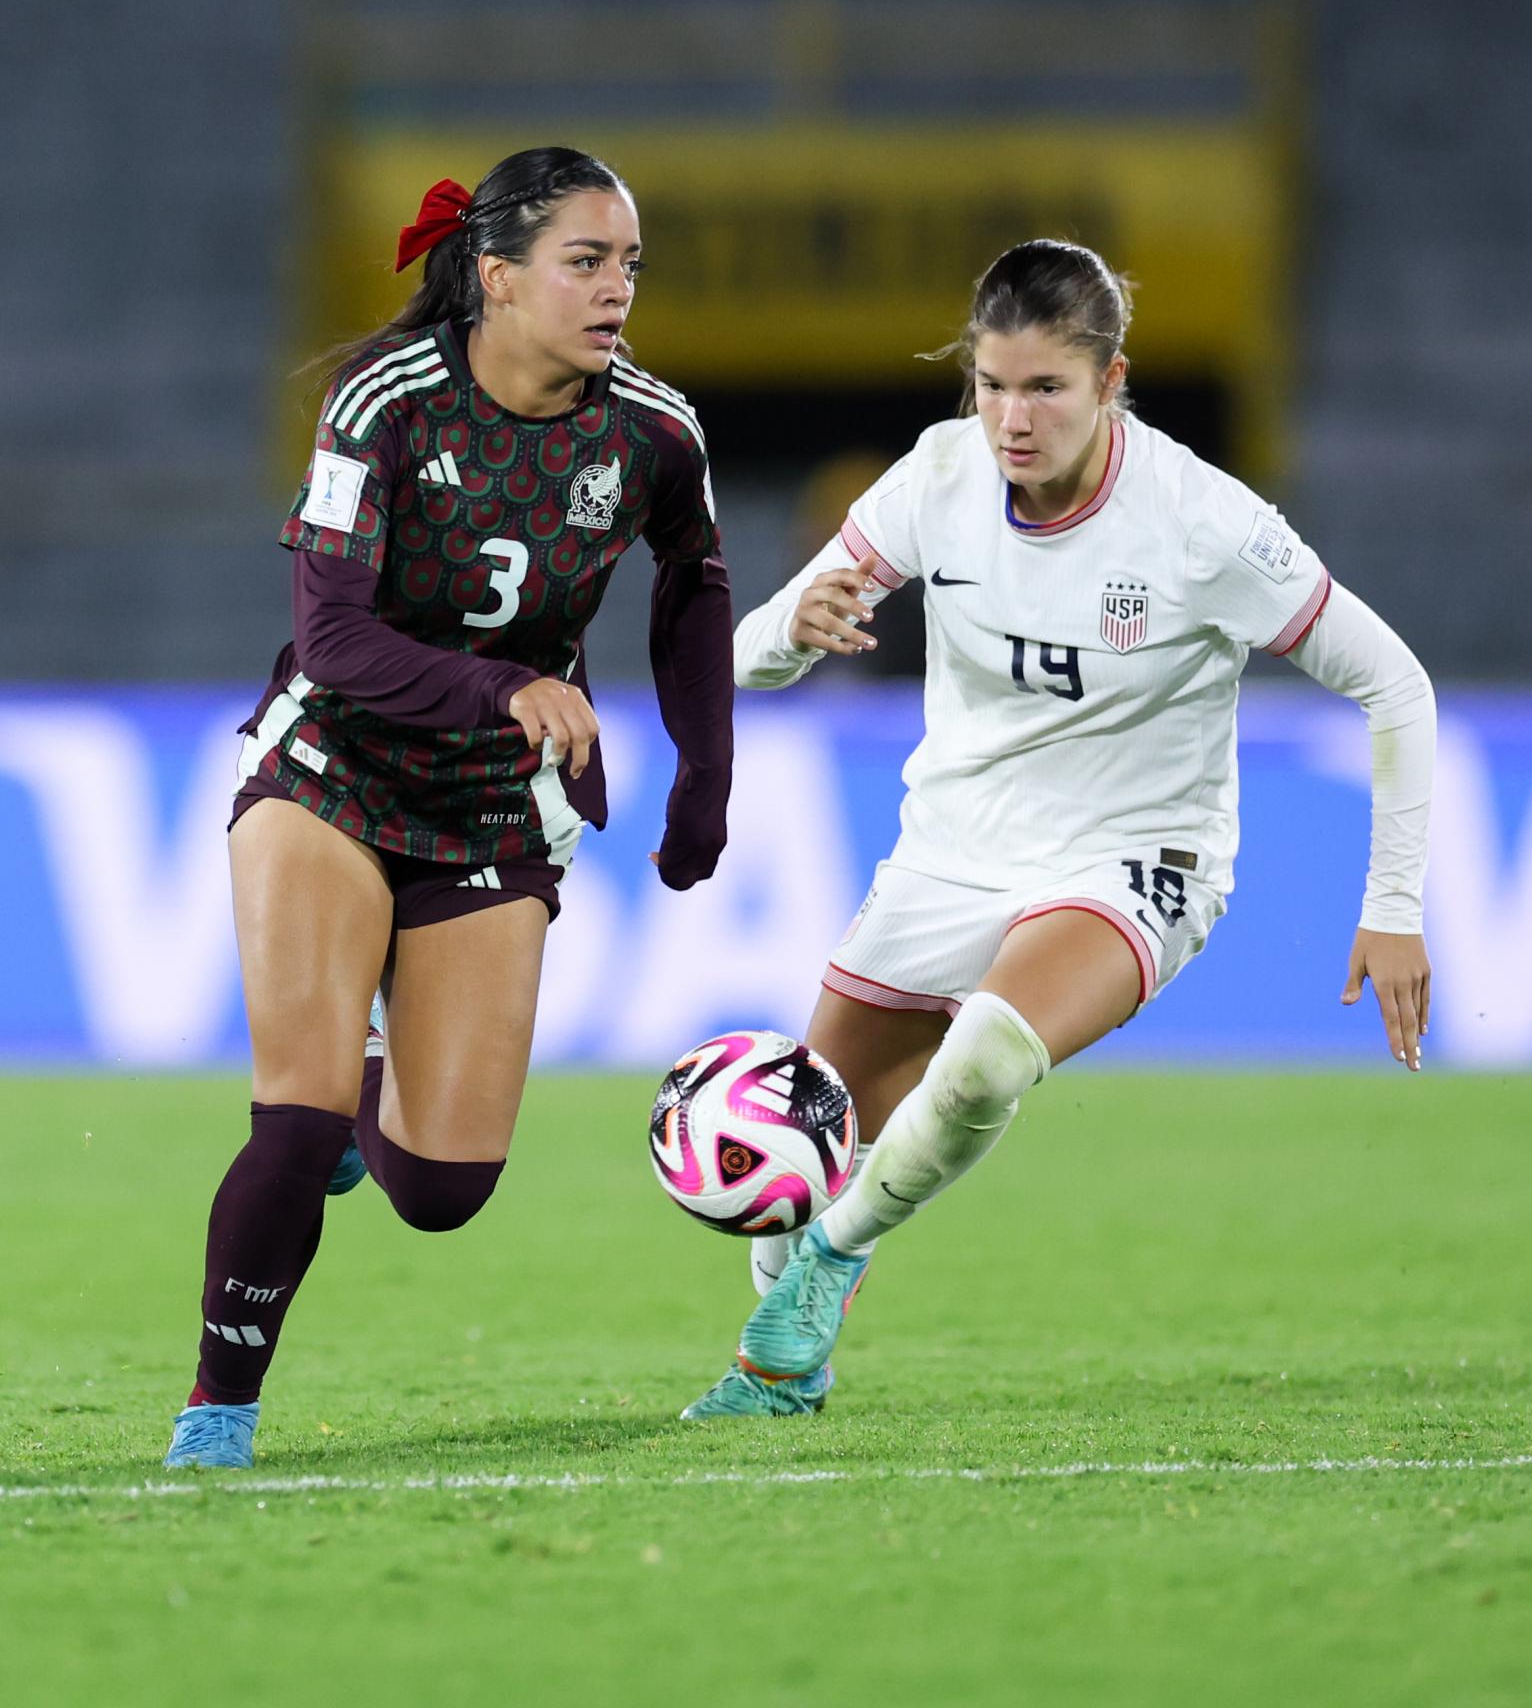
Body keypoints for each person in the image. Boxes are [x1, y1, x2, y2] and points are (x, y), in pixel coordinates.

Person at [681, 238, 1433, 1420]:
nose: (1011, 419)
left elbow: (1395, 683)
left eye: (1045, 388)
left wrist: (1391, 904)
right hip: (953, 846)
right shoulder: (934, 479)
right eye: (990, 384)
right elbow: (738, 664)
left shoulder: (1204, 524)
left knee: (985, 1051)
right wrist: (791, 631)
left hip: (1139, 855)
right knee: (809, 1133)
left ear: (1110, 380)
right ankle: (783, 1367)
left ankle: (833, 1260)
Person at [165, 147, 732, 1468]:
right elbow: (334, 638)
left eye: (629, 266)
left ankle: (375, 1100)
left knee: (441, 1191)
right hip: (334, 773)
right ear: (495, 276)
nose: (616, 292)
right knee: (295, 1121)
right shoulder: (387, 403)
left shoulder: (651, 428)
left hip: (490, 811)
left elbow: (694, 581)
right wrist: (500, 686)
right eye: (586, 262)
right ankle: (218, 1409)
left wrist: (705, 776)